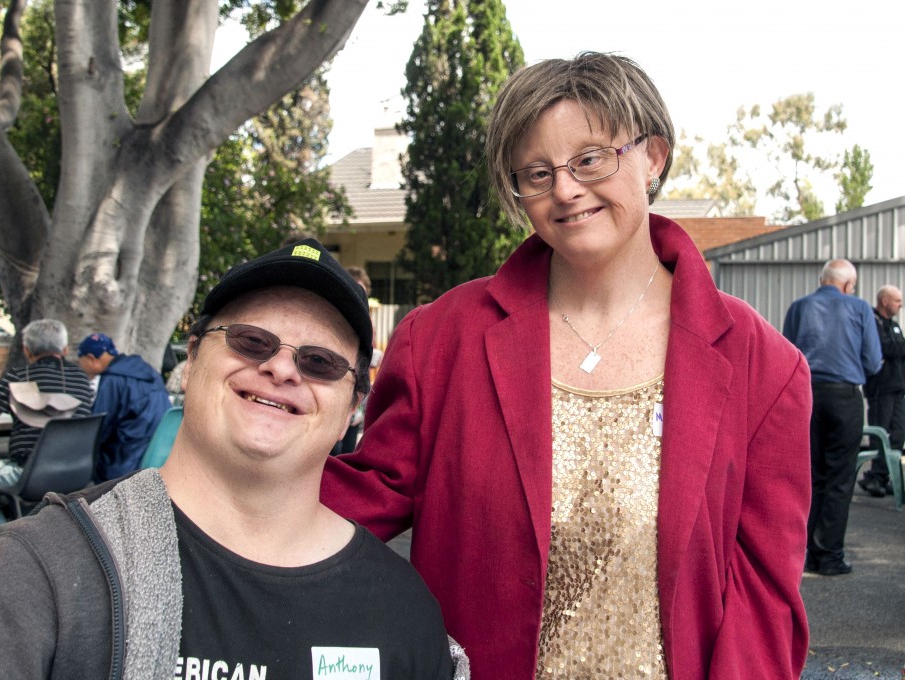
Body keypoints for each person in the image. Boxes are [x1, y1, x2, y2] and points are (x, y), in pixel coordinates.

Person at [321, 52, 812, 679]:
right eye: (536, 172)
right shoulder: (440, 341)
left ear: (653, 156)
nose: (565, 190)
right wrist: (210, 493)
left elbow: (764, 601)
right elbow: (354, 505)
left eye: (590, 159)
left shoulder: (764, 367)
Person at [0, 239, 465, 679]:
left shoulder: (404, 613)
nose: (282, 368)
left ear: (353, 407)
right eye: (251, 341)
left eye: (319, 363)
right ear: (193, 359)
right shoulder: (37, 576)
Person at [784, 259, 882, 576]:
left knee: (809, 475)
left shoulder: (799, 307)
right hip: (844, 396)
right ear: (847, 285)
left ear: (822, 280)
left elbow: (786, 353)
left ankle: (801, 553)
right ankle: (827, 555)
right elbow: (873, 360)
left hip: (806, 395)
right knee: (840, 479)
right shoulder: (859, 308)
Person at [0, 319, 93, 537]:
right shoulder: (82, 380)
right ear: (65, 350)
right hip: (76, 473)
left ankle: (5, 542)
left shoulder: (17, 378)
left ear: (27, 350)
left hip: (28, 474)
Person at [77, 332, 172, 482]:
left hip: (125, 463)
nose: (81, 368)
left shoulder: (113, 380)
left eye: (80, 362)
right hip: (158, 455)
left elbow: (98, 429)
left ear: (91, 358)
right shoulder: (149, 371)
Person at [331, 265, 383, 455]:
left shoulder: (369, 323)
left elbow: (369, 358)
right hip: (336, 399)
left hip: (357, 403)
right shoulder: (333, 318)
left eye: (362, 292)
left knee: (347, 457)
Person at [859, 284, 905, 497]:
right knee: (880, 432)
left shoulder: (894, 326)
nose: (901, 305)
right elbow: (884, 348)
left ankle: (884, 475)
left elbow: (897, 349)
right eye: (897, 301)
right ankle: (873, 477)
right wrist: (897, 349)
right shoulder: (873, 322)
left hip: (897, 388)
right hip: (880, 389)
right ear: (885, 301)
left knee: (898, 433)